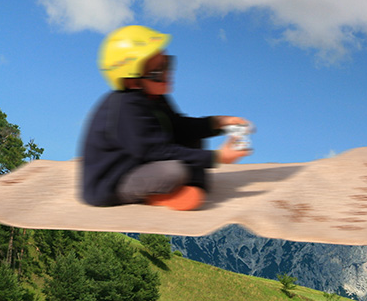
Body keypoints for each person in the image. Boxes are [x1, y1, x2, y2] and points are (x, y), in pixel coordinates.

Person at [81, 25, 251, 210]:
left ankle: (191, 187)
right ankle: (156, 196)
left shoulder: (154, 97)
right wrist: (216, 157)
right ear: (132, 81)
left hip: (140, 162)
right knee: (173, 171)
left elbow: (179, 125)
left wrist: (218, 123)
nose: (167, 73)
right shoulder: (125, 107)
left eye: (167, 64)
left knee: (192, 138)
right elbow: (156, 151)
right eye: (157, 72)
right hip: (112, 182)